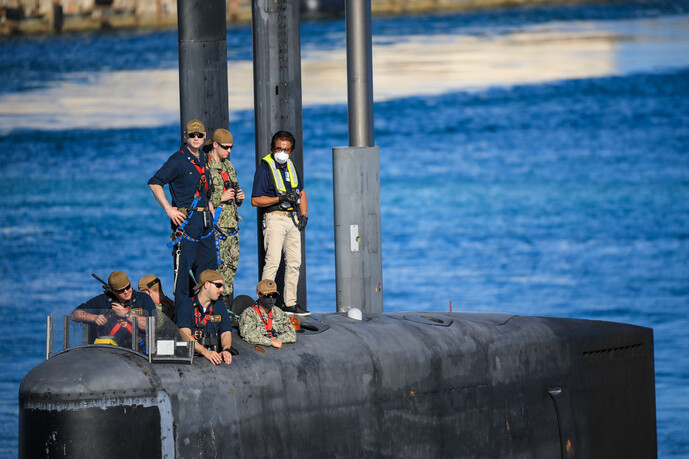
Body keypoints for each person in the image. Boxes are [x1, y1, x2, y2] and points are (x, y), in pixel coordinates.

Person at [148, 119, 217, 314]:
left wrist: (209, 203)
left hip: (205, 222)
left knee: (208, 271)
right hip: (187, 222)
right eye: (192, 135)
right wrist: (169, 209)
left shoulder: (203, 158)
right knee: (184, 273)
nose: (196, 138)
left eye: (200, 135)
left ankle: (204, 315)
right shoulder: (177, 160)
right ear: (185, 136)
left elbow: (204, 187)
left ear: (204, 138)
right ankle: (183, 319)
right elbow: (155, 182)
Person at [251, 130, 310, 316]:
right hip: (275, 218)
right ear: (273, 149)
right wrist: (279, 198)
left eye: (286, 149)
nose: (282, 152)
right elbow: (255, 200)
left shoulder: (291, 168)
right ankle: (265, 303)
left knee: (294, 262)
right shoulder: (264, 169)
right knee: (273, 262)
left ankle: (290, 303)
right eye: (279, 148)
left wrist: (304, 214)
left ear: (291, 150)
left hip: (293, 219)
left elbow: (301, 192)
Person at [205, 128, 244, 307]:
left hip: (231, 224)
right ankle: (216, 306)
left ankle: (226, 306)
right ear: (215, 145)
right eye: (226, 147)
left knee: (231, 266)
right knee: (216, 268)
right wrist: (220, 198)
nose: (229, 151)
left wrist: (239, 198)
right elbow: (199, 197)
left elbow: (234, 187)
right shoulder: (206, 165)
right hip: (216, 225)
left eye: (231, 148)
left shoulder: (228, 165)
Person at [71, 271, 156, 347]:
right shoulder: (103, 300)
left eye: (128, 287)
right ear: (112, 291)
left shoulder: (143, 299)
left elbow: (152, 327)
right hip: (109, 351)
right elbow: (74, 315)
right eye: (121, 290)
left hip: (137, 351)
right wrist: (93, 318)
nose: (126, 292)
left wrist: (126, 315)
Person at [176, 269, 233, 365]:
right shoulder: (186, 306)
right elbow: (185, 334)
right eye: (218, 286)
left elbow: (226, 332)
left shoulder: (220, 306)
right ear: (206, 284)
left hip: (214, 352)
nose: (222, 290)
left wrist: (226, 349)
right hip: (194, 355)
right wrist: (205, 352)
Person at [239, 279, 296, 348]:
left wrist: (276, 340)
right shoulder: (249, 314)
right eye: (267, 295)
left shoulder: (279, 312)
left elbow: (292, 334)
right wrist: (270, 342)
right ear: (258, 295)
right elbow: (247, 334)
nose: (271, 299)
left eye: (274, 295)